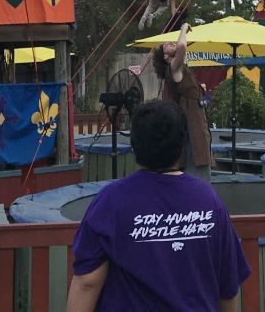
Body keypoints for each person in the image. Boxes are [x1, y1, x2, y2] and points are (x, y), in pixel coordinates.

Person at [67, 100, 250, 312]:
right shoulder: (208, 200)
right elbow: (228, 287)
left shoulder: (110, 201)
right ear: (181, 145)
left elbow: (88, 282)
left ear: (134, 144)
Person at [152, 22, 212, 182]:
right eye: (165, 45)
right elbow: (182, 47)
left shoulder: (178, 69)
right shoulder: (173, 67)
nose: (168, 43)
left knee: (197, 165)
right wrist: (184, 28)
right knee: (197, 169)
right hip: (192, 129)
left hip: (196, 124)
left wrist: (200, 89)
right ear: (165, 57)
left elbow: (187, 93)